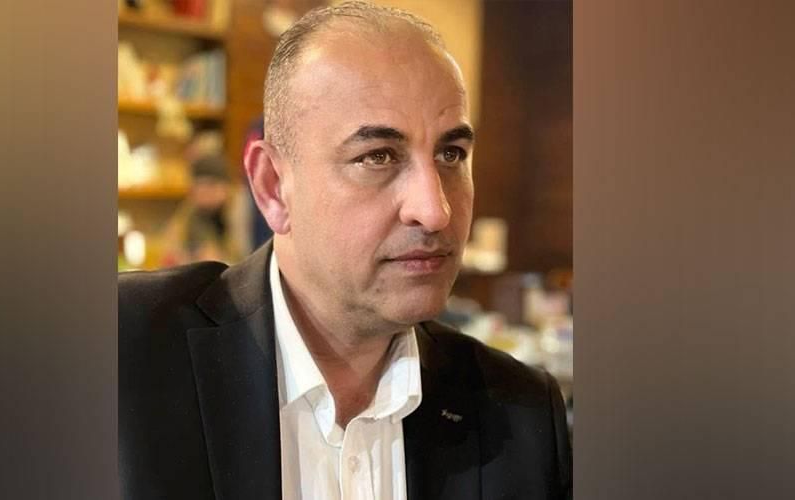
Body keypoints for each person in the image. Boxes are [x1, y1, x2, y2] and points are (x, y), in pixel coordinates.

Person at [119, 2, 572, 499]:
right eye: (377, 156)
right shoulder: (120, 355)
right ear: (273, 187)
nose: (435, 211)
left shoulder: (522, 418)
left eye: (451, 154)